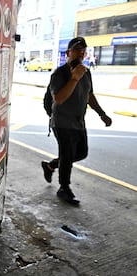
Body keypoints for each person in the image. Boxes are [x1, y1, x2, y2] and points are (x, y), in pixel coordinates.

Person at [41, 37, 112, 205]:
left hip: (78, 121)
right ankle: (64, 187)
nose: (80, 53)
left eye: (83, 50)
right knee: (67, 155)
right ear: (68, 53)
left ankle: (50, 166)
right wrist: (74, 78)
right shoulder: (60, 74)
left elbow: (89, 95)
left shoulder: (86, 73)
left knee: (80, 153)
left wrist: (102, 114)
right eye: (77, 49)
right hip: (62, 122)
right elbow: (58, 99)